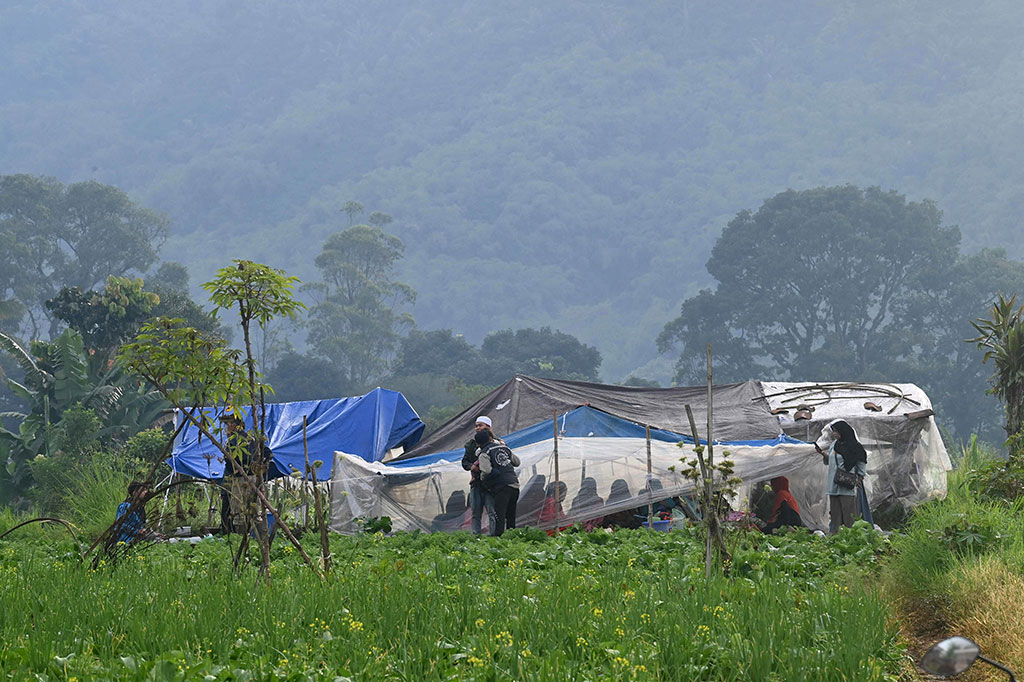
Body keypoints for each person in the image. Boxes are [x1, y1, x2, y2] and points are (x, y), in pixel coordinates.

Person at [817, 419, 867, 534]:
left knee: (849, 514)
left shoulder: (854, 446)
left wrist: (860, 477)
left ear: (843, 431)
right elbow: (831, 460)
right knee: (835, 515)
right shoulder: (835, 445)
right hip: (833, 484)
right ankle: (835, 537)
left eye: (836, 431)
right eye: (833, 431)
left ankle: (852, 537)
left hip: (847, 485)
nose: (834, 434)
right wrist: (823, 454)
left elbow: (861, 461)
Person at [474, 429, 520, 536]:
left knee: (499, 516)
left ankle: (499, 542)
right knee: (511, 516)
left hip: (502, 487)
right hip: (514, 484)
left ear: (478, 443)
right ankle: (512, 538)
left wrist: (483, 479)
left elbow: (486, 470)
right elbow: (517, 462)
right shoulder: (504, 448)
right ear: (490, 438)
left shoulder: (484, 453)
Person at [462, 416, 497, 534]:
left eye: (480, 425)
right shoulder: (471, 445)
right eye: (476, 426)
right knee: (475, 512)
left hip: (490, 484)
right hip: (476, 483)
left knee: (492, 511)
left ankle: (494, 537)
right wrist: (471, 467)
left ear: (488, 427)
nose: (477, 428)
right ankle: (476, 536)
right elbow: (464, 462)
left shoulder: (496, 443)